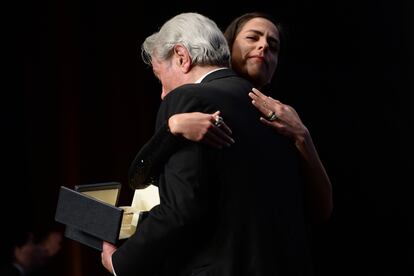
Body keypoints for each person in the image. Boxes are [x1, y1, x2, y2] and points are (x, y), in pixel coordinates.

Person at [102, 12, 316, 275]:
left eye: (160, 78)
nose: (162, 93)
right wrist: (171, 128)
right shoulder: (277, 112)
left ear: (182, 57)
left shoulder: (187, 97)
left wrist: (120, 263)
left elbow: (182, 210)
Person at [128, 12, 333, 223]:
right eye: (253, 37)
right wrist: (172, 126)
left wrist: (302, 136)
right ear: (226, 48)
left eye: (273, 45)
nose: (263, 46)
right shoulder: (197, 99)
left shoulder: (285, 118)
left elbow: (320, 207)